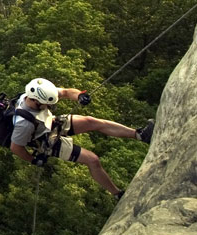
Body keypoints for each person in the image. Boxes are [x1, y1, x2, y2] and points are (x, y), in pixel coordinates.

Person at [10, 78, 155, 200]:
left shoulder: (36, 94)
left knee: (91, 121)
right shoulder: (24, 124)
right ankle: (118, 194)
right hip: (45, 141)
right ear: (36, 102)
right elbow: (16, 147)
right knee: (92, 160)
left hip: (50, 124)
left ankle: (140, 135)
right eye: (48, 105)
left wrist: (80, 96)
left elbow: (66, 92)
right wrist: (33, 160)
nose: (51, 106)